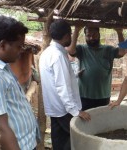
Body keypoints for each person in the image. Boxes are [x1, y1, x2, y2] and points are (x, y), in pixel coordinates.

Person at [0, 15, 40, 150]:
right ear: (3, 45)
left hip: (26, 143)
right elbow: (1, 127)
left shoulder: (4, 68)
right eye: (19, 46)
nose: (22, 50)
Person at [39, 20, 91, 150]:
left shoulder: (47, 52)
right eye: (71, 34)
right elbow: (62, 87)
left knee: (58, 140)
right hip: (64, 109)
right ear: (67, 35)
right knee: (72, 140)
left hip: (54, 107)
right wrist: (76, 111)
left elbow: (55, 80)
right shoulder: (58, 56)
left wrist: (74, 75)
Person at [66, 26, 125, 110]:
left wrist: (119, 32)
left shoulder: (108, 49)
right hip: (84, 95)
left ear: (99, 34)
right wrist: (76, 30)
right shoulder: (82, 49)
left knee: (100, 120)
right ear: (85, 36)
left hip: (103, 95)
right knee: (85, 120)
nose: (91, 38)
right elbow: (70, 51)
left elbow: (122, 52)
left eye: (94, 34)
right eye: (88, 35)